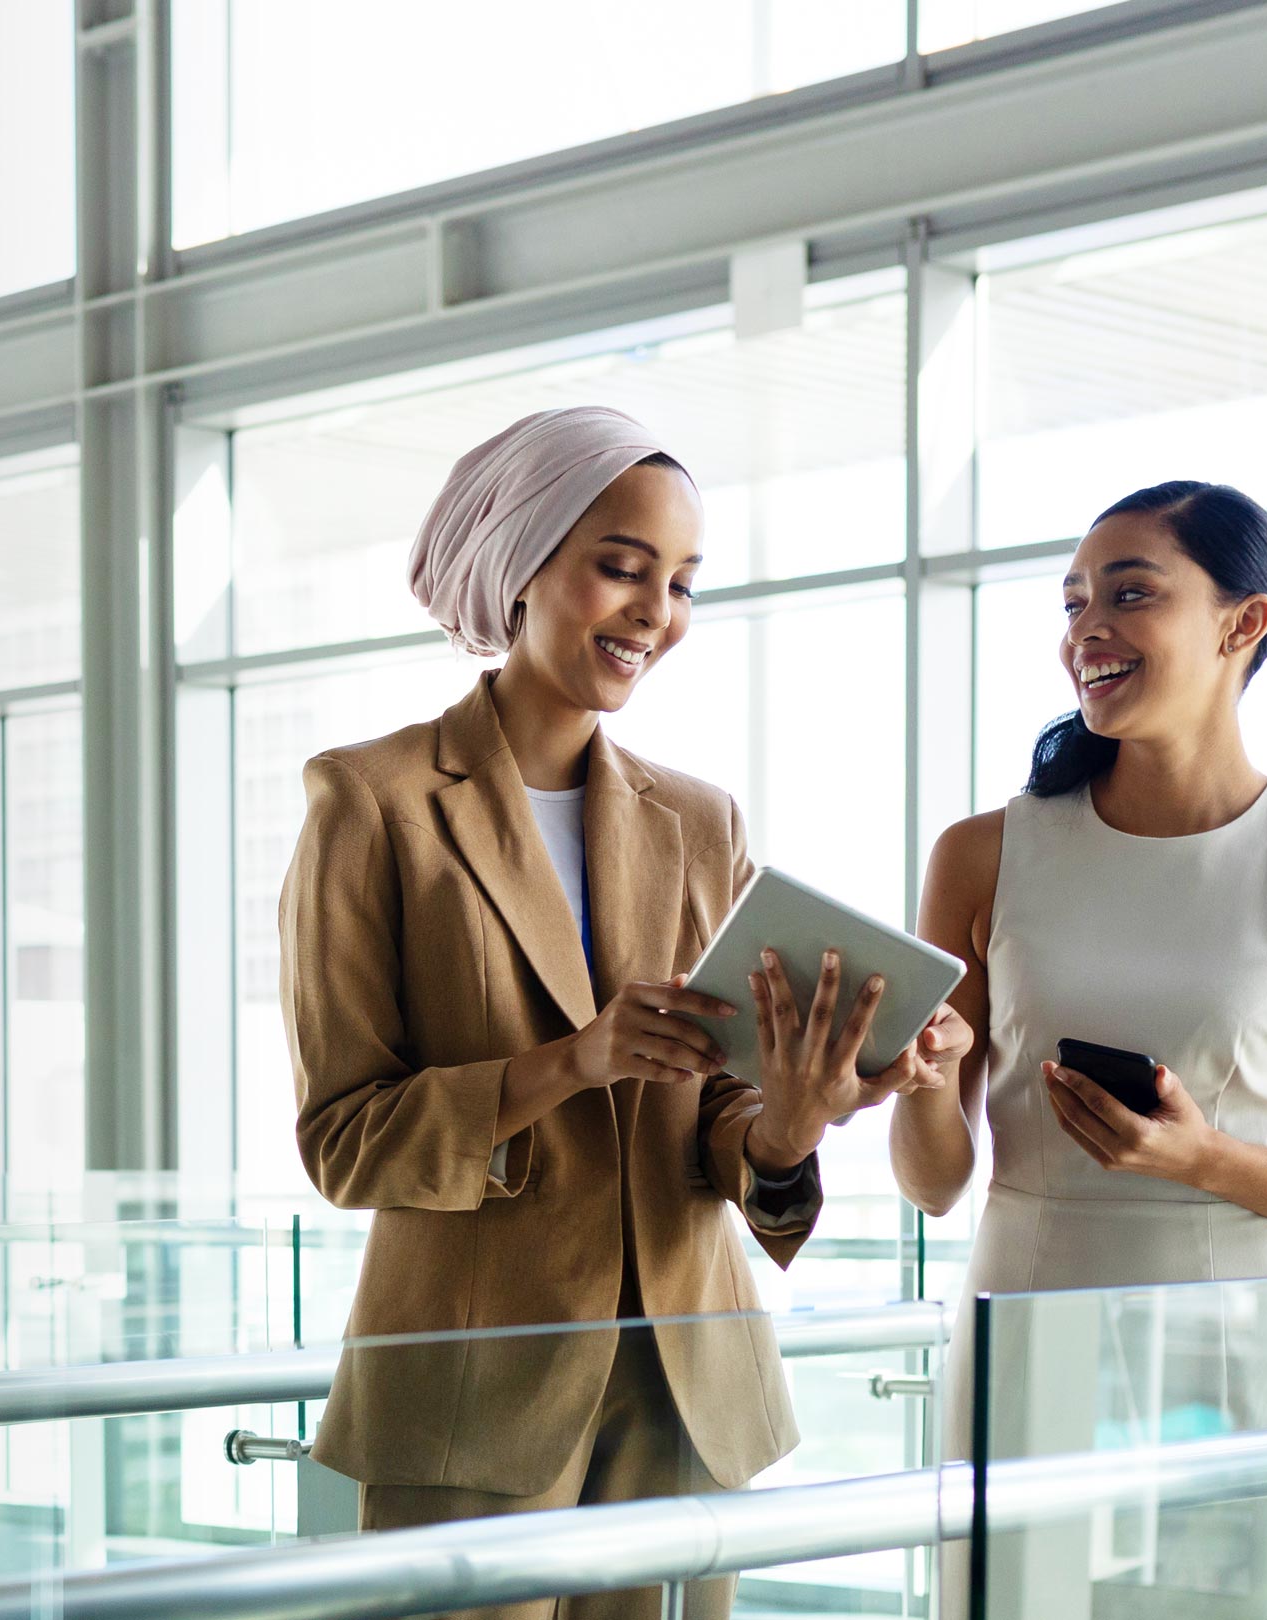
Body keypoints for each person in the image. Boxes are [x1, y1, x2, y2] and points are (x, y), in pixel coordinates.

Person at [280, 406, 970, 1620]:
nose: (657, 611)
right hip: (469, 1400)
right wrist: (567, 1065)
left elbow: (713, 1122)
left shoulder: (698, 821)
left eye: (685, 582)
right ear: (522, 562)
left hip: (687, 1395)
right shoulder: (371, 803)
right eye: (621, 566)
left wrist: (794, 1121)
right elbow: (345, 1140)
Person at [892, 481, 1267, 1617]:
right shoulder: (981, 856)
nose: (1084, 629)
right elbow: (937, 1181)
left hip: (1260, 1356)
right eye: (1073, 602)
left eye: (1130, 593)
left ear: (1243, 624)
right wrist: (913, 1082)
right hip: (1030, 1337)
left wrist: (1210, 1163)